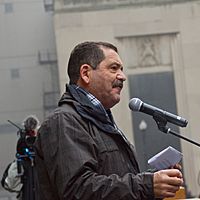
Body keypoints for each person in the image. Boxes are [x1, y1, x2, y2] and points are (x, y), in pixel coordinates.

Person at [34, 41, 183, 200]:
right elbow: (77, 191)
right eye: (113, 68)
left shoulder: (100, 121)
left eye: (122, 69)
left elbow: (115, 183)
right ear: (85, 73)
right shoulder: (63, 121)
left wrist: (157, 180)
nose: (122, 76)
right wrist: (146, 185)